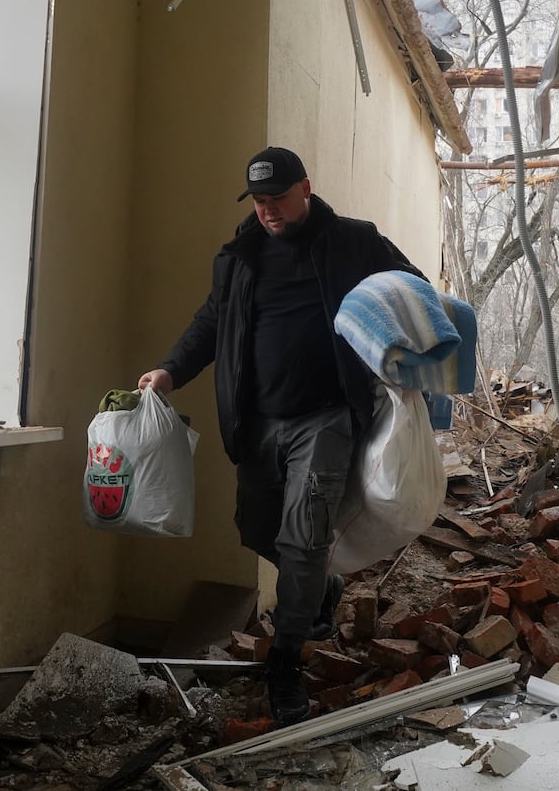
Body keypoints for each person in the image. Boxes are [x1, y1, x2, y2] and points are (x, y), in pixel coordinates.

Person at [139, 146, 421, 725]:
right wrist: (170, 370)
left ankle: (287, 661)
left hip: (325, 418)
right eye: (260, 202)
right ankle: (317, 591)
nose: (268, 211)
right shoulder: (240, 256)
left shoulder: (353, 241)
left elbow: (409, 288)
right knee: (259, 529)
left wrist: (398, 351)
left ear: (306, 189)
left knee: (302, 541)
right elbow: (211, 322)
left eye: (278, 199)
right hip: (257, 421)